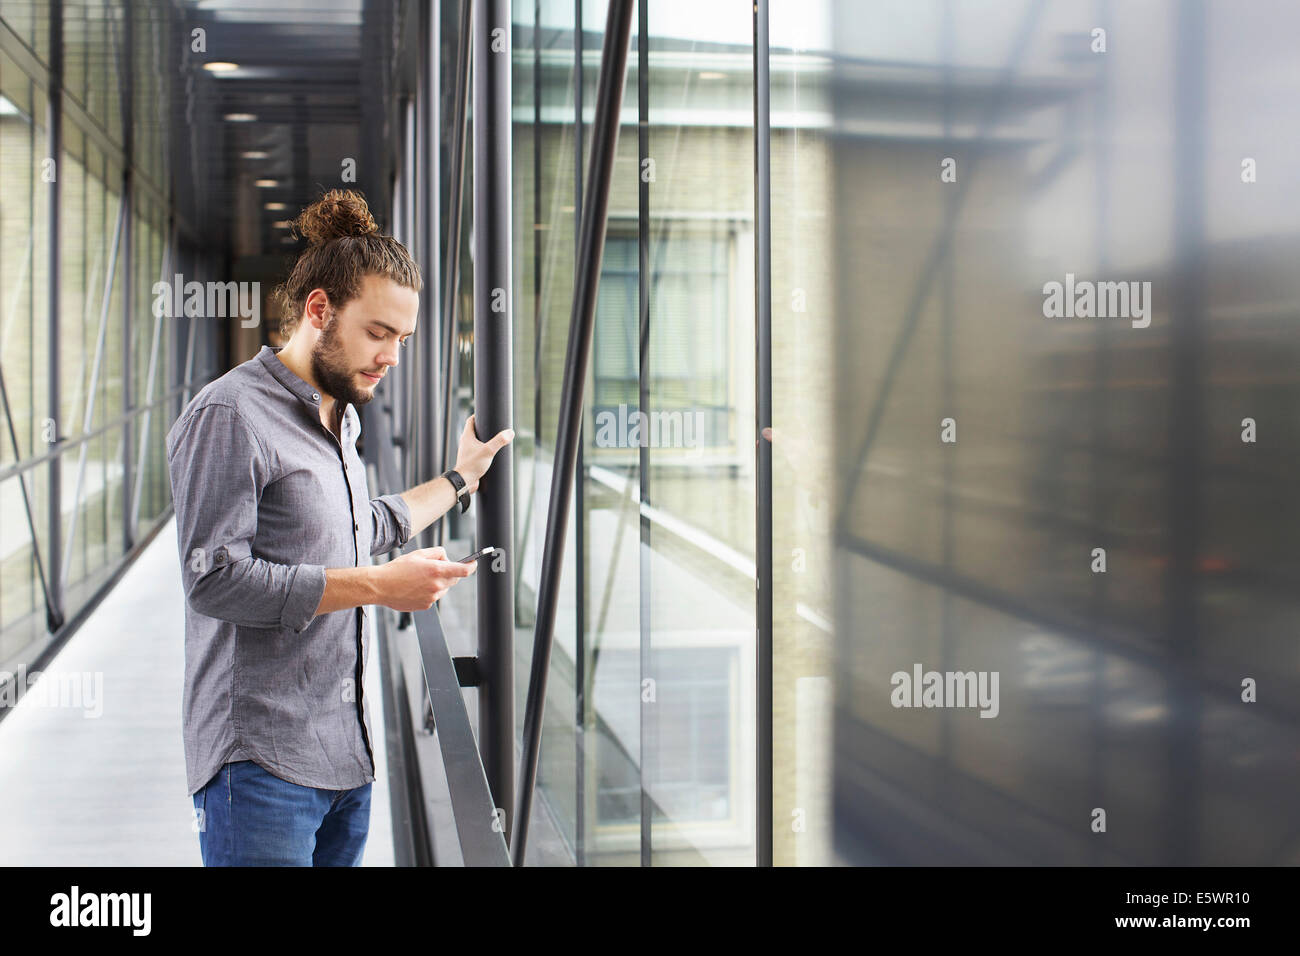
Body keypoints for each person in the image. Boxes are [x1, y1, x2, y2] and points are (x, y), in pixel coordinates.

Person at [165, 188, 512, 866]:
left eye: (403, 340)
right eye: (378, 333)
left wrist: (460, 480)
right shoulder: (230, 414)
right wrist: (380, 587)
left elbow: (364, 522)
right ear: (319, 310)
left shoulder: (339, 416)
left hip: (345, 759)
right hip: (258, 764)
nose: (390, 357)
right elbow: (214, 580)